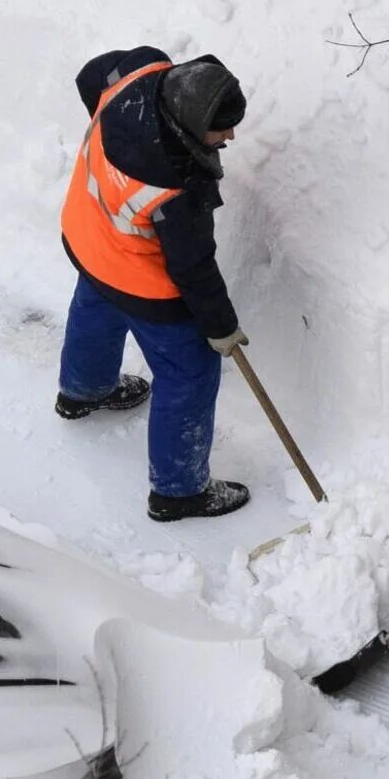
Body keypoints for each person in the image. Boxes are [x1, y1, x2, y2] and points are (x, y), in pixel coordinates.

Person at [55, 45, 252, 521]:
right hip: (136, 274)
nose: (228, 136)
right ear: (191, 120)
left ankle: (83, 392)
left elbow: (89, 76)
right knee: (191, 370)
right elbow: (193, 268)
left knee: (96, 306)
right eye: (221, 128)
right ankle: (179, 491)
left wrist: (117, 138)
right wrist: (221, 329)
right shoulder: (176, 183)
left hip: (88, 230)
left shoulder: (141, 69)